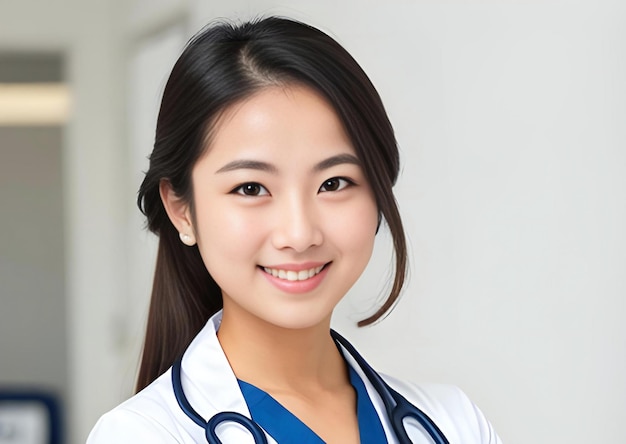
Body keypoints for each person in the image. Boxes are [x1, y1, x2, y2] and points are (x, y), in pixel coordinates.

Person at [87, 17, 502, 443]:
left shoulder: (454, 424)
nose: (300, 233)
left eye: (334, 183)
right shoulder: (140, 435)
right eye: (251, 188)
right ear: (181, 209)